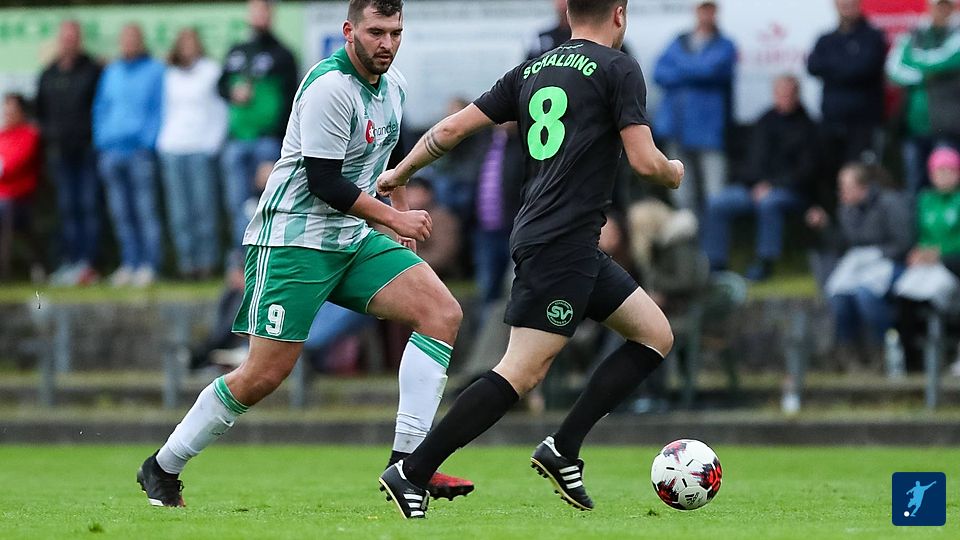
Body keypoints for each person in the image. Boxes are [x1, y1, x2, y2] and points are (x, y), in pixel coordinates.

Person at [137, 0, 474, 508]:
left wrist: (400, 204)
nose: (387, 43)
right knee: (263, 375)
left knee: (442, 312)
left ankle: (408, 466)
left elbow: (385, 158)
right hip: (293, 241)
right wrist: (392, 219)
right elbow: (324, 183)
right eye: (376, 32)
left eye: (395, 32)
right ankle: (163, 466)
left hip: (351, 237)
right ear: (349, 31)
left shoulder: (394, 86)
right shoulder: (329, 86)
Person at [377, 0, 683, 518]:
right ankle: (413, 470)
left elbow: (450, 130)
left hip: (563, 239)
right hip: (560, 243)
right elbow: (645, 162)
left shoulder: (533, 68)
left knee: (654, 334)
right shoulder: (619, 67)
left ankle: (563, 448)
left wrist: (399, 172)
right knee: (521, 371)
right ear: (619, 14)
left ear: (570, 14)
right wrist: (673, 171)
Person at [701, 75, 817, 281]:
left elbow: (806, 171)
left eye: (788, 94)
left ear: (797, 95)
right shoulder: (764, 121)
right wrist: (757, 184)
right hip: (753, 187)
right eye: (780, 94)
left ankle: (765, 262)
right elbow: (752, 160)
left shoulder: (807, 127)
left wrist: (772, 185)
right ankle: (714, 264)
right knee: (717, 203)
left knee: (769, 203)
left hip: (791, 191)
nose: (783, 98)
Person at [810, 164, 914, 371]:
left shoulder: (891, 203)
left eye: (845, 187)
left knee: (866, 296)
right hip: (859, 264)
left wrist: (876, 254)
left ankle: (882, 351)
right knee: (837, 297)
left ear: (862, 187)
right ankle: (847, 355)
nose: (841, 192)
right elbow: (843, 244)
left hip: (891, 262)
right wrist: (825, 226)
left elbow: (904, 243)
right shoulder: (846, 209)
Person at [219, 0, 299, 266]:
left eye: (263, 11)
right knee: (237, 205)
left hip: (267, 142)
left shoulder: (283, 54)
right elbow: (220, 85)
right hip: (236, 140)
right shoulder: (237, 50)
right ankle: (240, 265)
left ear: (271, 14)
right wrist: (232, 92)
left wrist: (280, 144)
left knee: (266, 205)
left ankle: (264, 260)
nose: (259, 16)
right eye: (254, 11)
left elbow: (292, 103)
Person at [93, 23, 165, 287]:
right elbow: (101, 107)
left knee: (145, 211)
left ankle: (150, 265)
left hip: (140, 152)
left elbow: (159, 108)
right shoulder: (111, 72)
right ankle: (129, 263)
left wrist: (147, 141)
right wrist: (103, 140)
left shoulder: (155, 70)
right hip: (111, 152)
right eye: (125, 39)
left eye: (133, 38)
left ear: (141, 41)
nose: (129, 43)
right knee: (121, 213)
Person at [653, 0, 736, 214]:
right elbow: (659, 72)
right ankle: (689, 235)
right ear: (696, 11)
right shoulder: (679, 40)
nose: (706, 14)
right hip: (677, 126)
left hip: (709, 130)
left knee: (715, 193)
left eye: (710, 9)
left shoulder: (725, 44)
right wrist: (696, 69)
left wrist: (680, 66)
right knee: (681, 191)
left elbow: (711, 71)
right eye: (702, 9)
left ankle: (713, 235)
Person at [158, 28, 228, 280]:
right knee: (180, 212)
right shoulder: (170, 74)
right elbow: (165, 110)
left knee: (204, 209)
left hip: (201, 147)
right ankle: (187, 264)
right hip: (173, 147)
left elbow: (220, 110)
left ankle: (207, 263)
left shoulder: (211, 70)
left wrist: (213, 143)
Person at [36, 20, 102, 286]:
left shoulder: (92, 70)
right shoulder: (49, 73)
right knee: (66, 209)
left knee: (88, 207)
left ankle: (89, 264)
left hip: (86, 150)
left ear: (79, 40)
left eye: (73, 37)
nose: (69, 41)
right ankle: (70, 261)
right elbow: (40, 111)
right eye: (65, 37)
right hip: (60, 152)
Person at [807, 0, 887, 202]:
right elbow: (812, 66)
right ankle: (834, 219)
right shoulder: (826, 38)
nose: (846, 6)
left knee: (860, 176)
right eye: (842, 3)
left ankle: (862, 220)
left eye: (850, 3)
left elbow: (865, 68)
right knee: (829, 176)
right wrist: (847, 64)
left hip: (863, 123)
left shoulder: (872, 36)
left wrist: (832, 68)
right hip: (831, 122)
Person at [893, 147, 960, 371]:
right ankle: (910, 360)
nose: (943, 176)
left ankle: (942, 353)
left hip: (951, 265)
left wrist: (940, 254)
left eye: (949, 171)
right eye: (939, 171)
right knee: (902, 294)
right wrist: (917, 252)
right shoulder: (925, 200)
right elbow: (917, 235)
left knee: (932, 296)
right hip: (926, 264)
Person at [887, 0, 960, 193]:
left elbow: (946, 60)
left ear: (953, 8)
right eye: (938, 5)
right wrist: (926, 74)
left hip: (947, 127)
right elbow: (893, 70)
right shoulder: (913, 34)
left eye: (946, 6)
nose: (942, 10)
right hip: (913, 127)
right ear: (929, 7)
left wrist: (913, 61)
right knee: (915, 185)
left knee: (948, 186)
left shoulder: (957, 33)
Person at [0, 93, 42, 280]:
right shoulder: (2, 135)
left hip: (18, 199)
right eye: (6, 110)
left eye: (12, 110)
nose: (7, 114)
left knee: (4, 207)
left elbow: (15, 164)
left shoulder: (29, 134)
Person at [403, 177, 461, 278]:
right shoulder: (393, 219)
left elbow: (443, 254)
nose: (414, 199)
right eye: (410, 194)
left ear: (428, 195)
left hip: (436, 274)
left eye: (418, 194)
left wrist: (411, 264)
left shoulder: (442, 218)